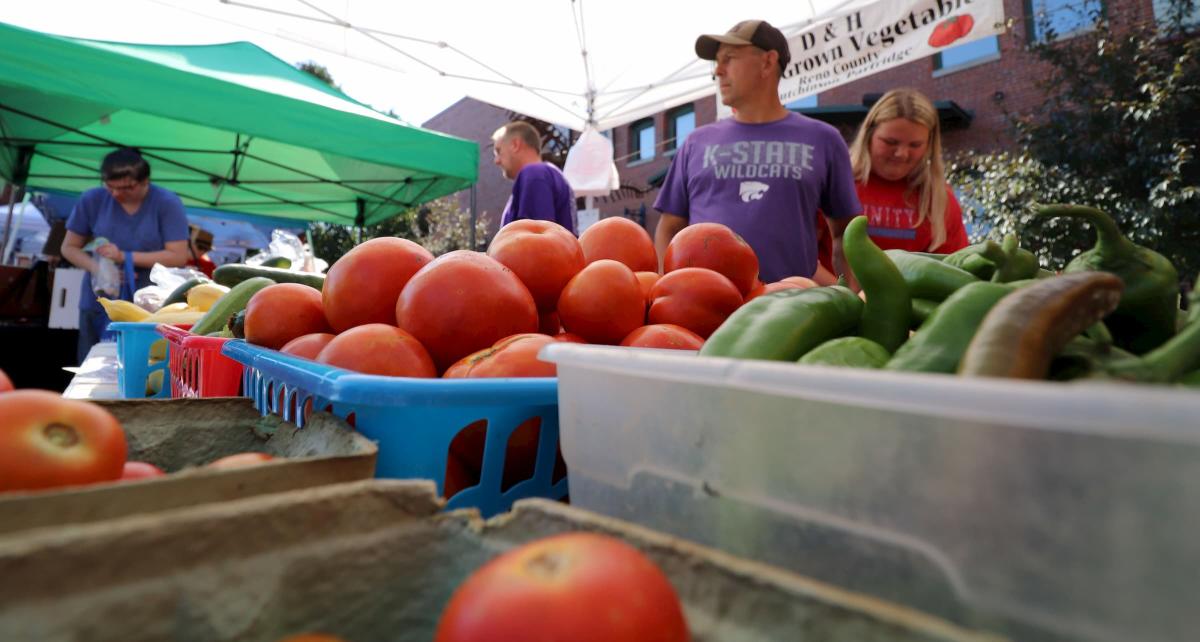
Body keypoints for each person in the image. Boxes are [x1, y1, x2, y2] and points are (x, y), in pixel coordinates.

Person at [653, 20, 861, 283]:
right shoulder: (695, 142)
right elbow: (669, 228)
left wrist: (850, 299)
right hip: (705, 310)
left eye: (729, 59)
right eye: (716, 62)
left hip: (793, 311)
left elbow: (847, 234)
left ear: (767, 62)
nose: (718, 71)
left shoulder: (823, 139)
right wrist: (665, 288)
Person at [60, 148, 190, 363]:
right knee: (91, 365)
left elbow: (177, 256)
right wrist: (99, 268)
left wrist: (125, 257)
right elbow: (69, 248)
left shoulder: (166, 202)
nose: (117, 194)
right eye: (110, 187)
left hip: (148, 304)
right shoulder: (92, 199)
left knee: (141, 362)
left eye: (127, 188)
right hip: (98, 300)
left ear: (145, 181)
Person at [845, 87, 968, 254]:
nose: (901, 154)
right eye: (890, 142)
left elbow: (955, 267)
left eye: (915, 145)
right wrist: (840, 282)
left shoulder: (939, 200)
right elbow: (802, 256)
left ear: (929, 146)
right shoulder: (834, 184)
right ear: (869, 135)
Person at [492, 121, 577, 235]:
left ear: (515, 145)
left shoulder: (534, 174)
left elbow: (535, 242)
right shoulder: (548, 174)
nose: (496, 161)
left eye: (498, 151)